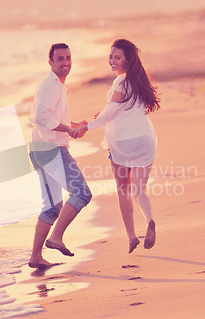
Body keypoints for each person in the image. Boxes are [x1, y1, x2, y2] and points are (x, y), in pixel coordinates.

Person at [74, 39, 160, 254]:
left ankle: (132, 237)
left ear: (127, 60)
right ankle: (150, 221)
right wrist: (102, 115)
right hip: (144, 141)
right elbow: (117, 109)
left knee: (124, 190)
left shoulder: (120, 83)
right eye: (111, 56)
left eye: (117, 57)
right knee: (139, 190)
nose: (112, 60)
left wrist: (87, 126)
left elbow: (111, 113)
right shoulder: (139, 81)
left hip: (123, 143)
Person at [28, 43, 92, 269]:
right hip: (51, 150)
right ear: (51, 63)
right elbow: (40, 117)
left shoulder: (52, 85)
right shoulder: (52, 86)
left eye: (68, 58)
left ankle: (36, 257)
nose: (65, 63)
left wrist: (74, 126)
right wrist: (68, 130)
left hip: (39, 150)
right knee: (82, 192)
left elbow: (49, 119)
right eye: (60, 59)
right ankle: (55, 238)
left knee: (53, 206)